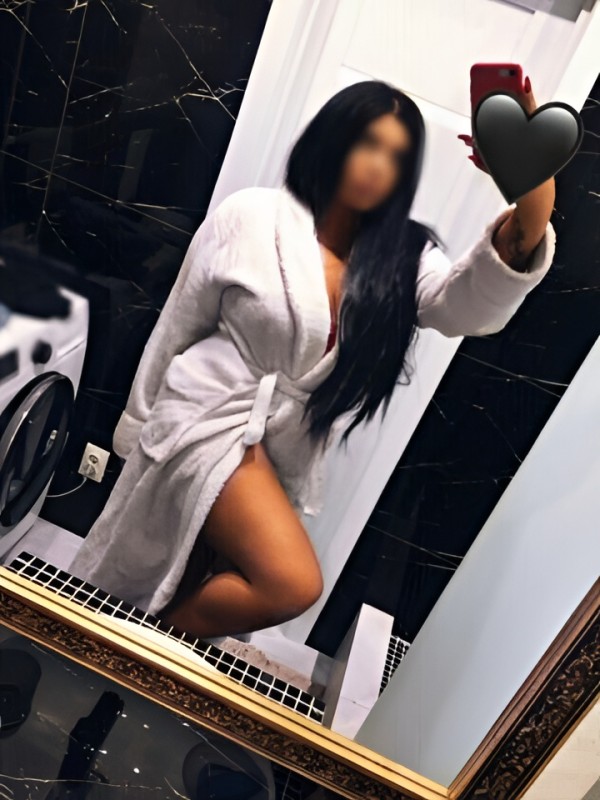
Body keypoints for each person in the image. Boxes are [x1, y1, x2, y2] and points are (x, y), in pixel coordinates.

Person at [68, 79, 556, 639]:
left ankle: (133, 650)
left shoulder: (402, 258)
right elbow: (179, 321)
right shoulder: (251, 216)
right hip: (203, 418)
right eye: (367, 143)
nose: (378, 166)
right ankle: (142, 643)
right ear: (333, 139)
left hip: (280, 449)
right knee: (290, 583)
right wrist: (138, 427)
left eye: (397, 157)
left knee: (201, 572)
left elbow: (469, 305)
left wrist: (529, 172)